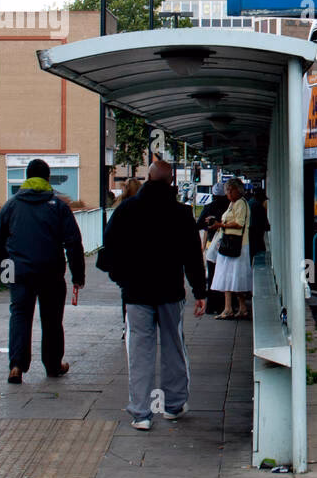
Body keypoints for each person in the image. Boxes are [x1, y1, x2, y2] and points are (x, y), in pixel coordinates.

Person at [100, 158, 206, 431]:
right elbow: (193, 256)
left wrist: (121, 279)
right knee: (174, 348)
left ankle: (141, 413)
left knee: (139, 351)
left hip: (136, 294)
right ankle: (173, 405)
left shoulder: (126, 210)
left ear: (147, 177)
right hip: (170, 291)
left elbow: (108, 252)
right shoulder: (181, 213)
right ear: (171, 182)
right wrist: (200, 291)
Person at [0, 158, 85, 384]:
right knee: (52, 319)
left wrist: (5, 269)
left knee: (20, 316)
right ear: (47, 178)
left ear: (27, 177)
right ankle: (53, 365)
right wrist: (78, 275)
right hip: (51, 272)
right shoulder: (59, 206)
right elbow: (73, 241)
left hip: (20, 272)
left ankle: (16, 366)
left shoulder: (12, 205)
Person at [209, 178, 252, 319]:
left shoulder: (240, 203)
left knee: (231, 277)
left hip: (236, 245)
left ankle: (231, 309)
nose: (226, 194)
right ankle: (236, 308)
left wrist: (220, 225)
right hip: (231, 244)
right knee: (231, 277)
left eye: (228, 191)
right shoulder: (233, 203)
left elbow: (239, 223)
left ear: (235, 190)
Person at [196, 181, 229, 315]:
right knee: (226, 274)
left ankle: (212, 305)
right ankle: (225, 304)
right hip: (228, 244)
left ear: (213, 194)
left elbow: (199, 225)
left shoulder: (209, 207)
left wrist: (209, 225)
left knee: (212, 275)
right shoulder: (229, 206)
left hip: (212, 244)